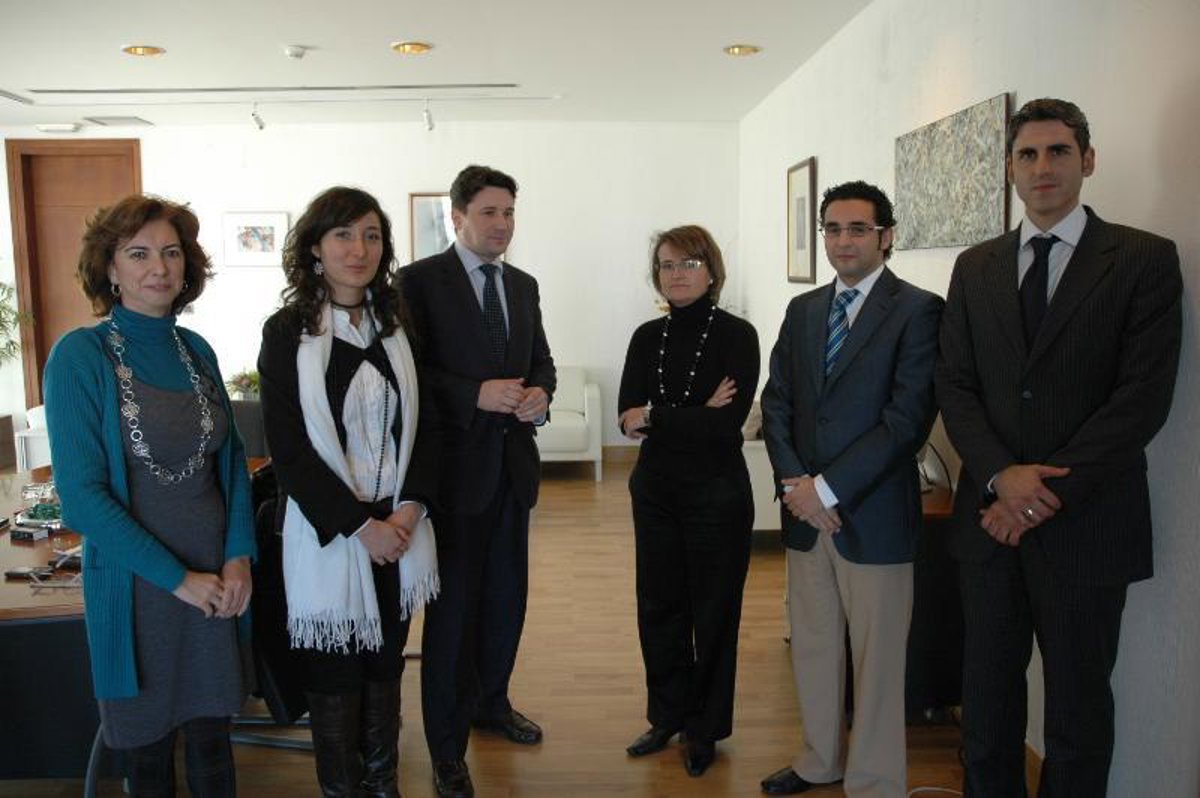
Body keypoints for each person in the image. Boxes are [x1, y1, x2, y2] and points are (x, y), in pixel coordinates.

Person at [935, 98, 1183, 797]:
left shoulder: (1143, 260)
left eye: (1059, 151)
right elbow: (954, 384)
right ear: (1010, 169)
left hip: (1088, 526)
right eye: (1028, 154)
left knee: (1077, 715)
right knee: (986, 709)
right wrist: (998, 476)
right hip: (988, 528)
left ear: (1088, 160)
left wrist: (1037, 494)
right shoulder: (975, 266)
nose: (1042, 167)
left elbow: (1140, 401)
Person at [44, 194, 255, 797]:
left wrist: (238, 557)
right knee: (149, 755)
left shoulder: (197, 350)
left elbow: (232, 465)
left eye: (171, 252)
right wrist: (179, 579)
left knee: (214, 744)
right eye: (138, 254)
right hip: (138, 589)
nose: (158, 267)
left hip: (217, 581)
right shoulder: (79, 357)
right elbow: (81, 498)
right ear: (109, 268)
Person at [759, 181, 943, 797]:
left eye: (858, 229)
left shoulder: (919, 310)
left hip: (874, 515)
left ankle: (874, 780)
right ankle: (820, 761)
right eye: (833, 229)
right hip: (805, 514)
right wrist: (797, 485)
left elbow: (906, 421)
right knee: (813, 646)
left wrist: (827, 489)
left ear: (886, 236)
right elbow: (777, 402)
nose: (843, 241)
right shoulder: (804, 310)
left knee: (878, 660)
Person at [257, 187, 439, 798]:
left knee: (386, 663)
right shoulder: (288, 332)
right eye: (343, 235)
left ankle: (383, 785)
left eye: (371, 235)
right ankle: (343, 789)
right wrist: (363, 529)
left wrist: (408, 512)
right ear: (315, 247)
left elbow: (426, 428)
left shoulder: (398, 325)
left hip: (401, 530)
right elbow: (290, 451)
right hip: (331, 533)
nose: (358, 249)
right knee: (335, 671)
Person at [397, 164, 555, 798]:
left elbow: (541, 360)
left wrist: (541, 394)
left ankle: (493, 704)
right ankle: (446, 749)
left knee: (506, 602)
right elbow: (409, 374)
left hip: (513, 473)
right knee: (453, 617)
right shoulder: (417, 283)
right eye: (489, 212)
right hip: (452, 478)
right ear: (457, 216)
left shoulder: (523, 284)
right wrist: (474, 394)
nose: (502, 224)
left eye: (509, 212)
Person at [616, 225, 759, 777]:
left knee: (714, 614)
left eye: (689, 263)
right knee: (658, 608)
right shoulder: (645, 337)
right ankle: (667, 715)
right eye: (667, 265)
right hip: (655, 492)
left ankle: (704, 729)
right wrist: (692, 412)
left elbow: (725, 426)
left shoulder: (738, 336)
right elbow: (625, 419)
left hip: (717, 495)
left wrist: (656, 415)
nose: (677, 274)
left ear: (711, 270)